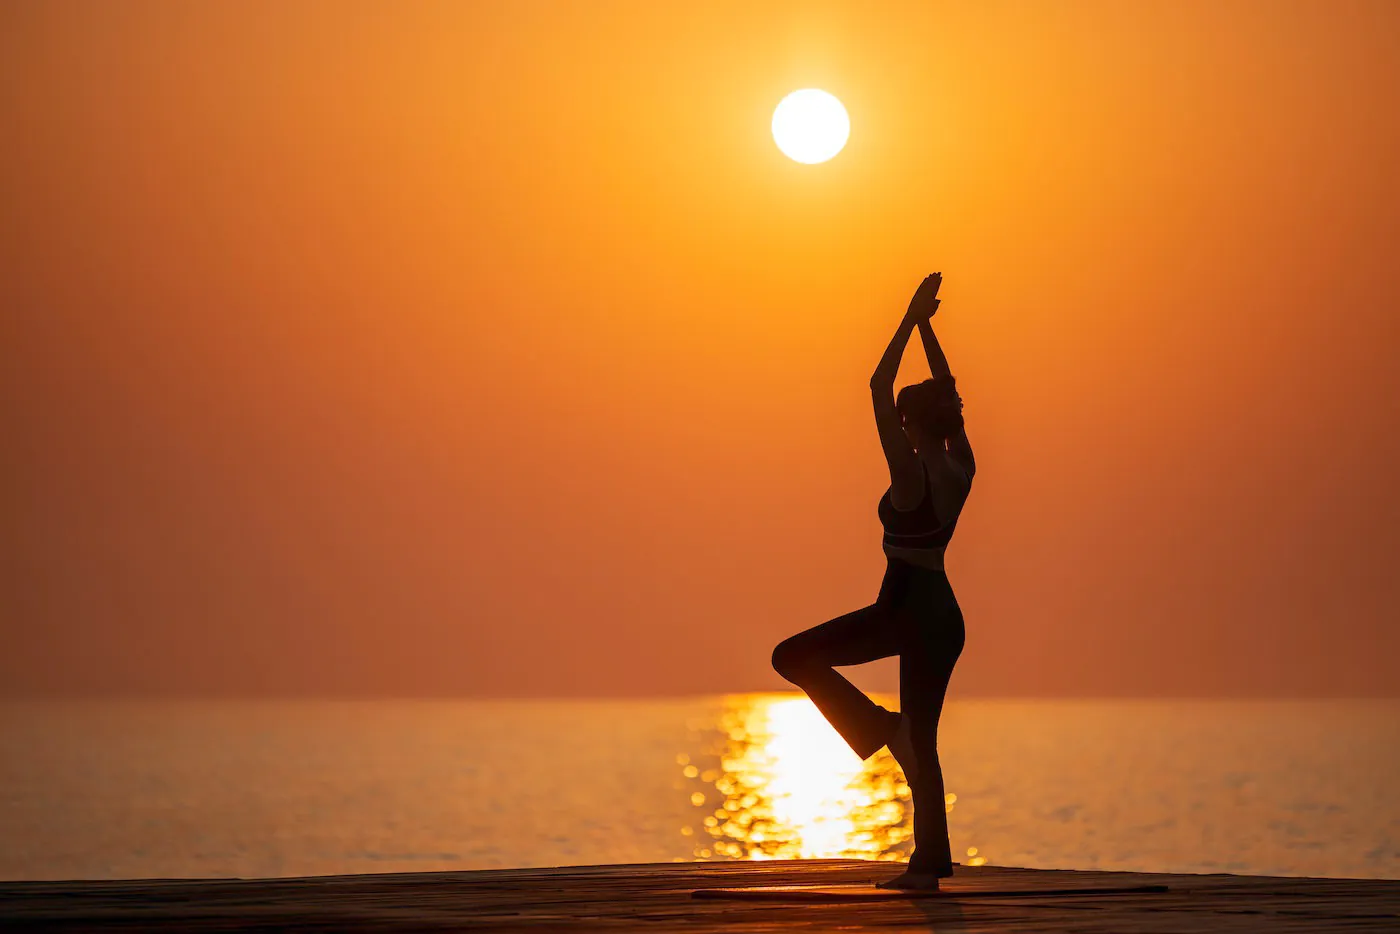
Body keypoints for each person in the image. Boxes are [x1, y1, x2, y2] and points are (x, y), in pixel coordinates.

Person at [771, 273, 974, 890]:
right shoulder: (961, 463)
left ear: (909, 424)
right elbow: (949, 392)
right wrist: (928, 327)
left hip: (904, 608)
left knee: (791, 657)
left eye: (903, 421)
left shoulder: (911, 476)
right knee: (924, 742)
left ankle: (880, 729)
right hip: (943, 616)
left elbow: (877, 385)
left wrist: (909, 319)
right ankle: (929, 863)